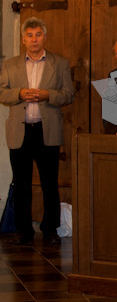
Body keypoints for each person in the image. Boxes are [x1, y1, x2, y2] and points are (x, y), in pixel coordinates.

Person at [0, 17, 74, 245]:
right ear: (23, 39)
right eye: (30, 35)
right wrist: (20, 94)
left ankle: (50, 229)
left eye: (38, 35)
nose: (34, 39)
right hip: (20, 132)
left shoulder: (59, 63)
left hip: (47, 130)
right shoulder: (10, 65)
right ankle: (24, 230)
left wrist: (47, 95)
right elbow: (2, 93)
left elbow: (69, 94)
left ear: (45, 37)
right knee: (21, 182)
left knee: (49, 182)